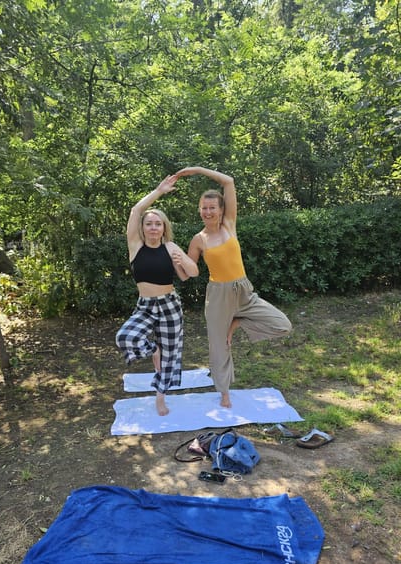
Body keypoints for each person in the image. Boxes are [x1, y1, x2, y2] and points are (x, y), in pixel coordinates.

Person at [175, 166, 292, 409]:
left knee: (282, 325)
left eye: (212, 208)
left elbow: (228, 181)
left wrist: (197, 170)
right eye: (203, 208)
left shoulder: (229, 224)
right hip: (218, 296)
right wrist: (173, 257)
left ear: (220, 210)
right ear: (200, 210)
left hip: (244, 291)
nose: (207, 212)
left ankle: (236, 323)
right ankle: (224, 391)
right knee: (219, 348)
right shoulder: (198, 240)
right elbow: (188, 274)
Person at [116, 175, 199, 416]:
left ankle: (160, 397)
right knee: (125, 337)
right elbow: (135, 210)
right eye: (149, 223)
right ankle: (153, 349)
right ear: (143, 228)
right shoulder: (135, 246)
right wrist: (159, 190)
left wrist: (181, 259)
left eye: (158, 224)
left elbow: (193, 272)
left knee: (171, 356)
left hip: (170, 306)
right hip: (145, 306)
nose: (153, 227)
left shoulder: (170, 247)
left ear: (164, 228)